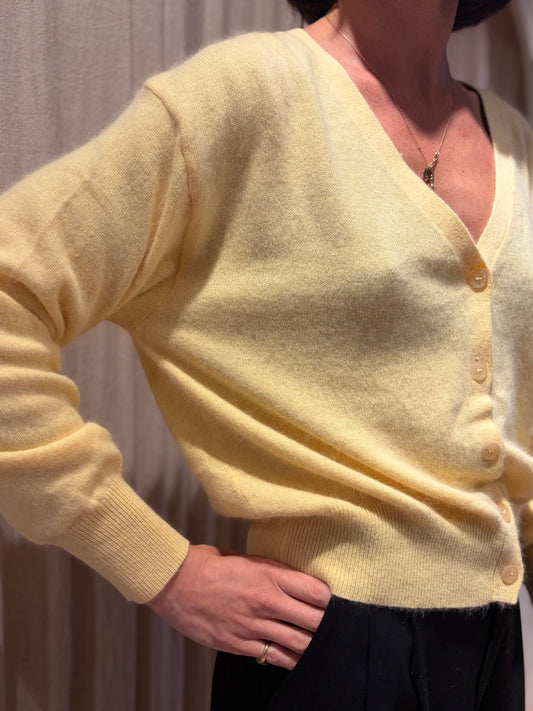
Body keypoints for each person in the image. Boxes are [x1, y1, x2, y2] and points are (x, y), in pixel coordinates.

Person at [0, 0, 530, 708]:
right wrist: (161, 566)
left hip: (494, 643)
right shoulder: (244, 98)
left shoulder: (514, 142)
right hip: (324, 642)